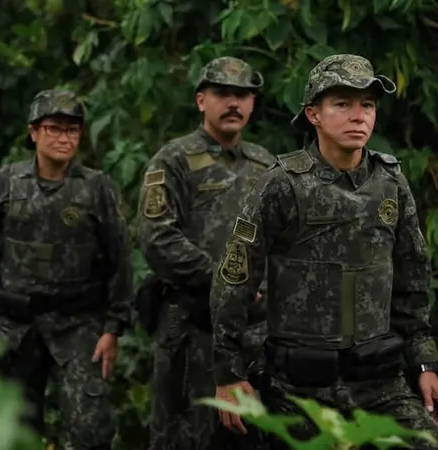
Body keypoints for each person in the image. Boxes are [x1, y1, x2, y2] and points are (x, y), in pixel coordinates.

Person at [209, 54, 438, 450]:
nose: (359, 116)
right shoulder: (281, 185)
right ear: (313, 114)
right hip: (299, 390)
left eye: (368, 105)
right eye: (343, 104)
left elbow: (413, 281)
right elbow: (234, 278)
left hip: (380, 384)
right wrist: (228, 374)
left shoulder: (389, 181)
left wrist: (424, 363)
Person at [0, 88, 133, 450]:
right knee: (14, 430)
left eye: (73, 130)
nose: (64, 138)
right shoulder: (6, 182)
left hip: (79, 325)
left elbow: (120, 260)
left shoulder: (97, 188)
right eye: (54, 128)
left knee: (89, 431)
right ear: (34, 132)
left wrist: (114, 327)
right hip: (17, 327)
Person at [135, 56, 275, 450]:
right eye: (222, 94)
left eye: (243, 95)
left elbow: (285, 240)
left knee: (257, 438)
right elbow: (157, 237)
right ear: (201, 101)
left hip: (255, 332)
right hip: (193, 326)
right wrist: (227, 281)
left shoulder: (265, 164)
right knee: (186, 437)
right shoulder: (174, 160)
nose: (234, 103)